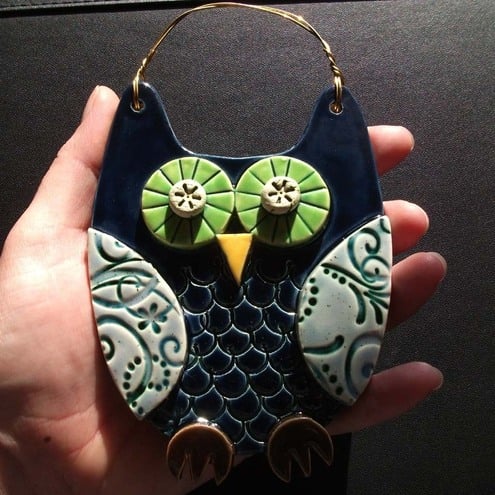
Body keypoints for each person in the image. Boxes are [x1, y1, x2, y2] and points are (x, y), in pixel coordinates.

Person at [0, 86, 446, 494]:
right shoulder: (135, 272)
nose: (237, 240)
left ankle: (288, 422)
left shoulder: (338, 265)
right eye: (189, 207)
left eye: (281, 207)